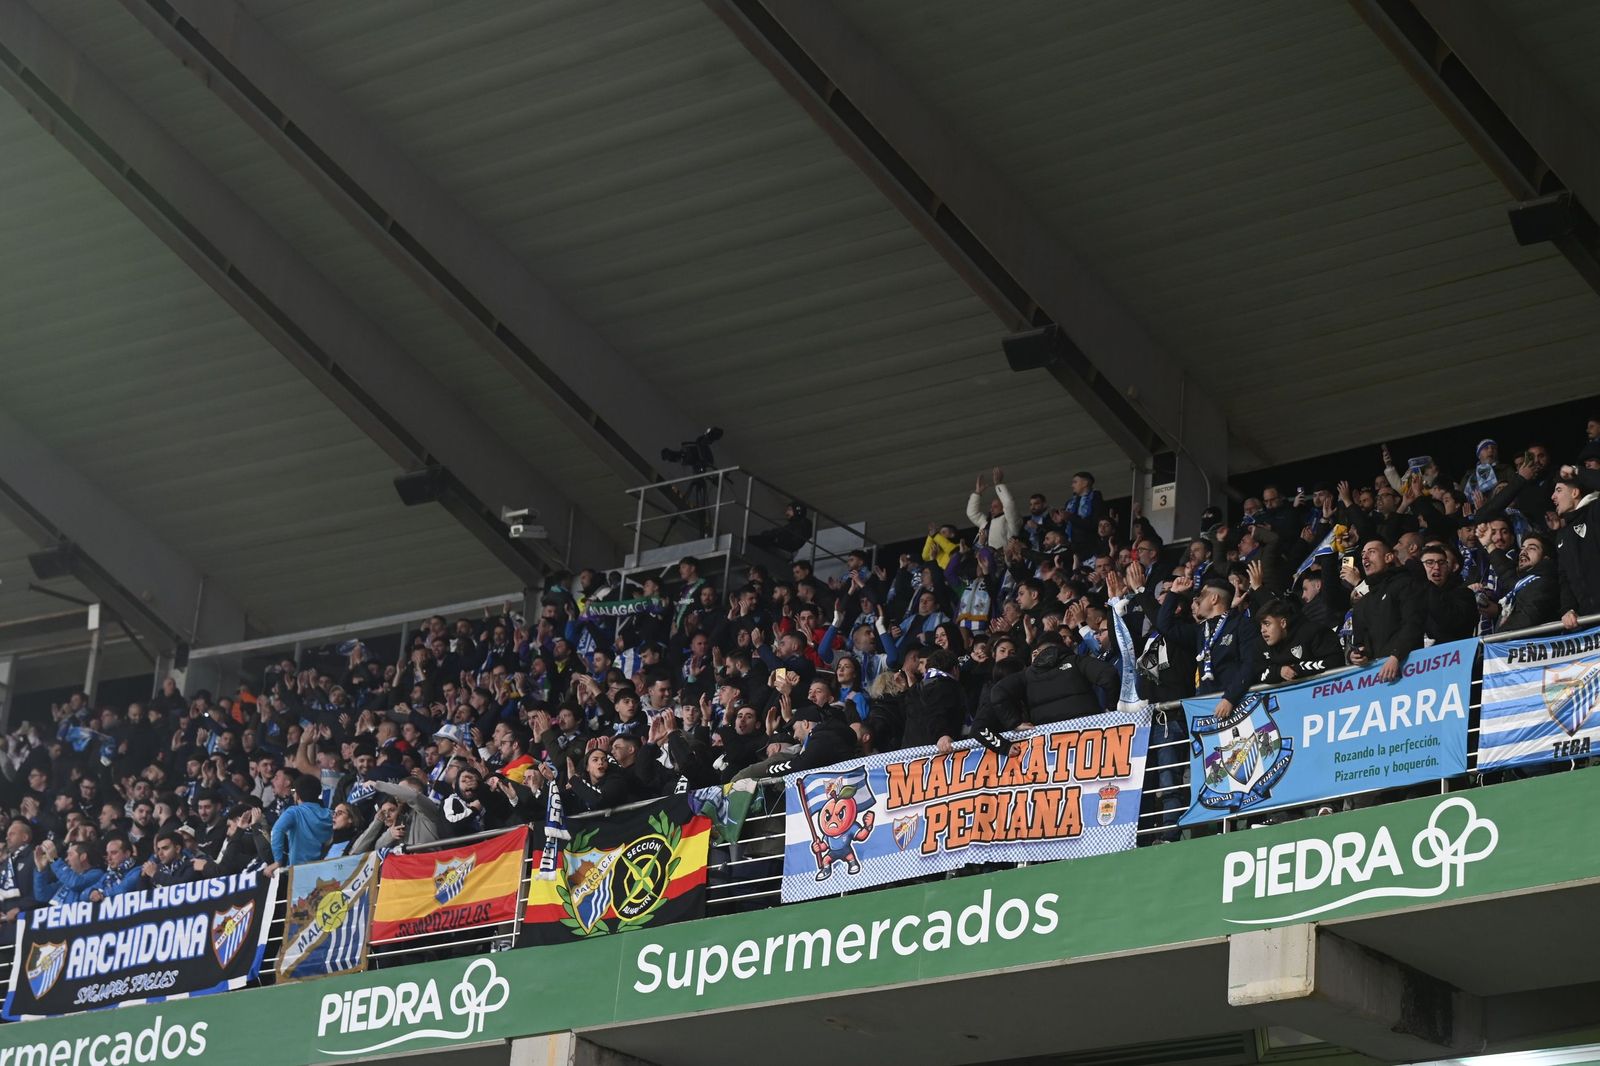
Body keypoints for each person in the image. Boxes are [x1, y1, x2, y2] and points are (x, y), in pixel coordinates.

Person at [1347, 539, 1424, 681]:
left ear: (1388, 558)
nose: (1365, 557)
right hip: (1377, 677)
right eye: (1363, 554)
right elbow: (1360, 643)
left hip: (1408, 670)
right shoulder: (1362, 602)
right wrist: (1356, 655)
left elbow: (1413, 623)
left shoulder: (1405, 583)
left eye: (1372, 552)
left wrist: (1396, 656)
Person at [1254, 599, 1343, 684]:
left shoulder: (1312, 632)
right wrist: (1279, 672)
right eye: (1261, 625)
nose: (1262, 630)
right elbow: (1257, 675)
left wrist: (1297, 669)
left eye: (1267, 624)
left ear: (1283, 623)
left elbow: (1335, 661)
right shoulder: (1261, 644)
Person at [1553, 471, 1600, 629]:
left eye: (1559, 490)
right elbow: (1564, 579)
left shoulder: (1595, 513)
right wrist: (1568, 609)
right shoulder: (1562, 536)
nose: (1553, 497)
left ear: (1575, 492)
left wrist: (1577, 471)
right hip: (1589, 623)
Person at [1418, 543, 1478, 643]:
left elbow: (1450, 624)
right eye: (1429, 562)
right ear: (1420, 566)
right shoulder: (1411, 597)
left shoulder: (1464, 594)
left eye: (1442, 562)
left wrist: (1427, 585)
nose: (1436, 567)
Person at [270, 774, 333, 866]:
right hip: (325, 870)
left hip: (299, 872)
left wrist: (277, 861)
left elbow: (277, 830)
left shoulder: (294, 812)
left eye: (294, 791)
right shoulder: (330, 814)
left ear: (297, 796)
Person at [34, 840, 104, 905]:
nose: (66, 859)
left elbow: (75, 883)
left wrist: (55, 860)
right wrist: (41, 870)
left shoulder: (97, 874)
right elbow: (42, 896)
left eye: (70, 855)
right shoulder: (65, 880)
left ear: (83, 857)